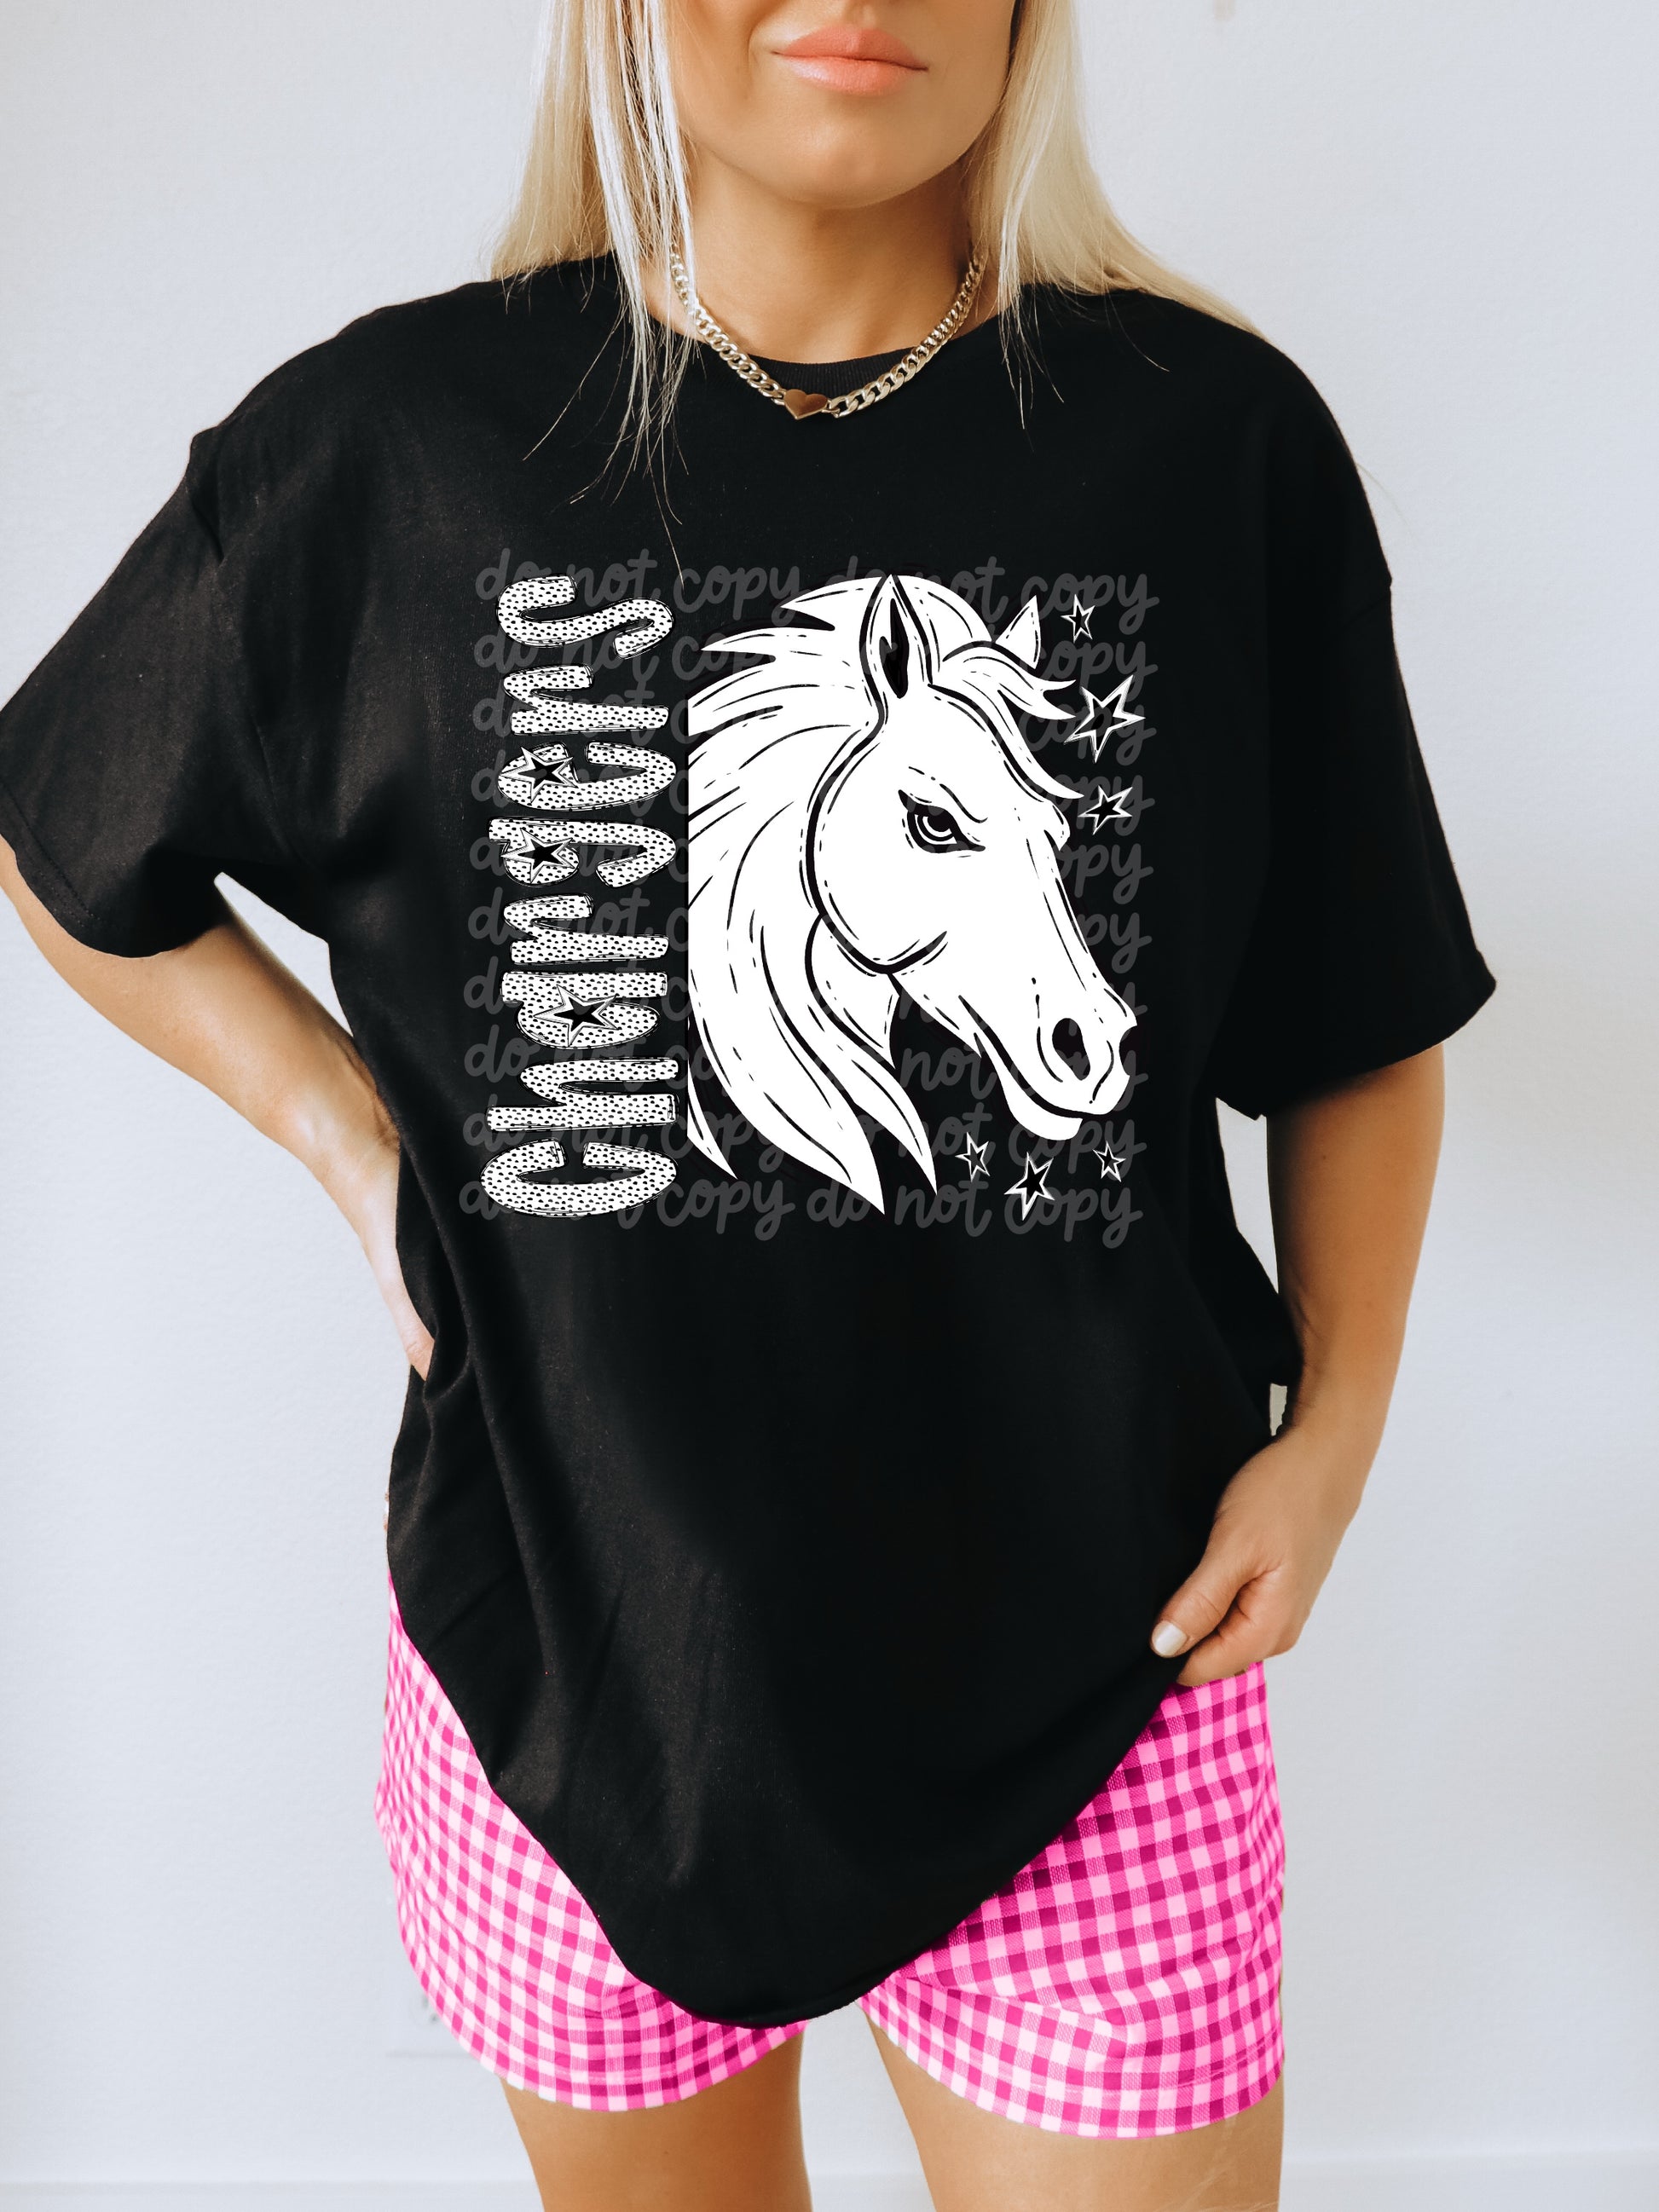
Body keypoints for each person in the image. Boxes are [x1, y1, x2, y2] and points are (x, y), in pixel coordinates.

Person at [0, 3, 1494, 2206]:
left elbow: (1356, 1002)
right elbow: (67, 819)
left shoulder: (1208, 441)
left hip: (1111, 1651)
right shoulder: (396, 442)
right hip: (570, 1654)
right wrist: (348, 1141)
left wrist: (1338, 1430)